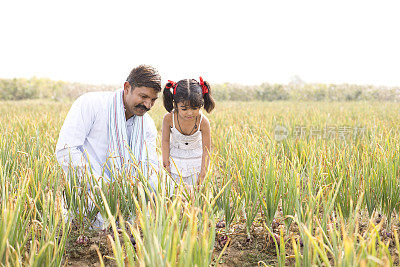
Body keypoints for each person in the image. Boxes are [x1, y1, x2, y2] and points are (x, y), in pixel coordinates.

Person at [56, 64, 161, 227]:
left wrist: (146, 188)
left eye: (153, 100)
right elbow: (66, 150)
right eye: (143, 97)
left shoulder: (147, 125)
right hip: (87, 204)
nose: (147, 105)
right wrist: (102, 186)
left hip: (128, 211)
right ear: (127, 87)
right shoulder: (91, 104)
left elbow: (151, 164)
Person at [161, 77, 215, 190]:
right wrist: (166, 165)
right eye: (184, 109)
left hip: (196, 163)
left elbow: (206, 150)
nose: (190, 113)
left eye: (194, 108)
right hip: (174, 161)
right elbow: (165, 142)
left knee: (195, 195)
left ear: (201, 104)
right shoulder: (168, 119)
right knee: (174, 195)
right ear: (175, 105)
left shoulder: (203, 122)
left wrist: (203, 172)